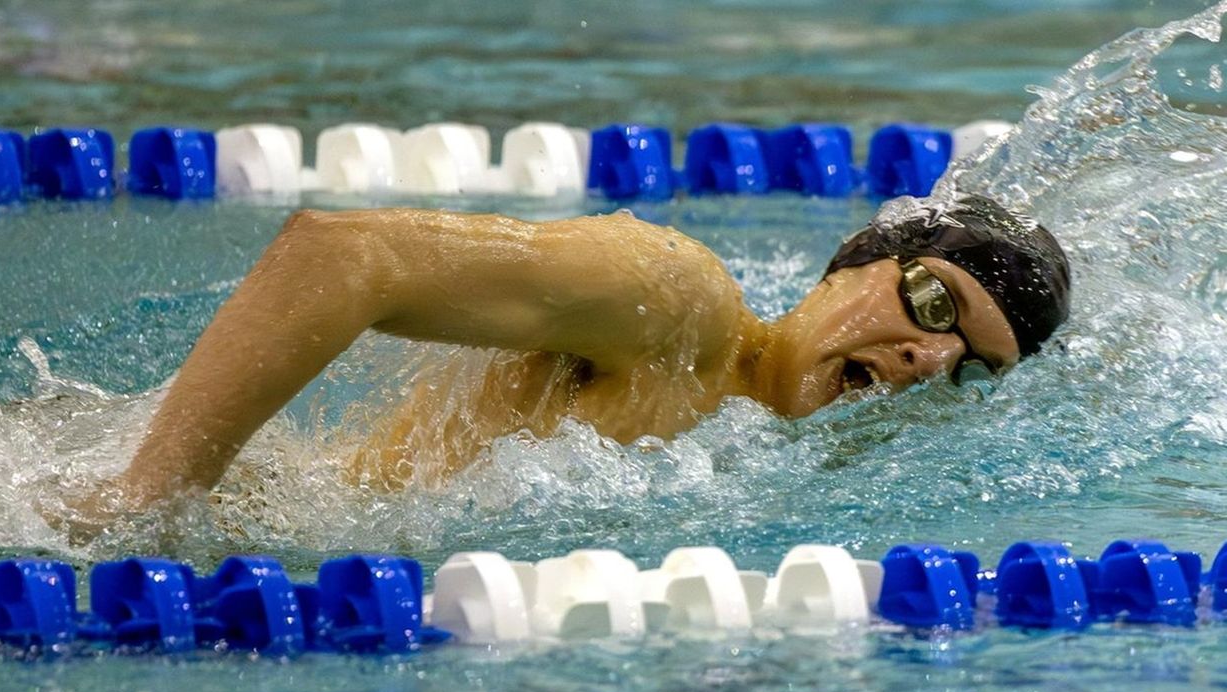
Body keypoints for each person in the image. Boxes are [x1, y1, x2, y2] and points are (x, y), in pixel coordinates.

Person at [103, 193, 1070, 515]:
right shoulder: (679, 307)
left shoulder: (793, 470)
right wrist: (147, 499)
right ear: (852, 265)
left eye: (971, 366)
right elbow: (345, 253)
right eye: (936, 302)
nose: (930, 360)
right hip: (211, 518)